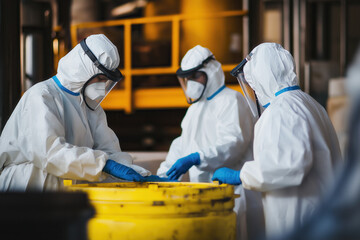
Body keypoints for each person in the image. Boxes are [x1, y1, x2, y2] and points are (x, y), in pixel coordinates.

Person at [0, 34, 165, 191]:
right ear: (85, 68)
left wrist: (139, 174)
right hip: (26, 185)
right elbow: (50, 154)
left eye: (107, 81)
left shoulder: (91, 108)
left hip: (59, 190)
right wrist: (104, 164)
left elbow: (110, 151)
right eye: (101, 79)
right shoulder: (42, 95)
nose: (103, 85)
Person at [212, 42, 343, 238]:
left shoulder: (282, 110)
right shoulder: (310, 104)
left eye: (252, 82)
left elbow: (290, 165)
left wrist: (240, 175)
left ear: (261, 77)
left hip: (300, 219)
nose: (253, 90)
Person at [157, 45, 264, 240]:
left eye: (195, 76)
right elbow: (183, 143)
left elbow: (234, 142)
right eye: (187, 78)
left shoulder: (232, 100)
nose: (191, 83)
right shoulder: (195, 108)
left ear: (210, 72)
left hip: (234, 194)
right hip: (204, 195)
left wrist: (197, 157)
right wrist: (164, 174)